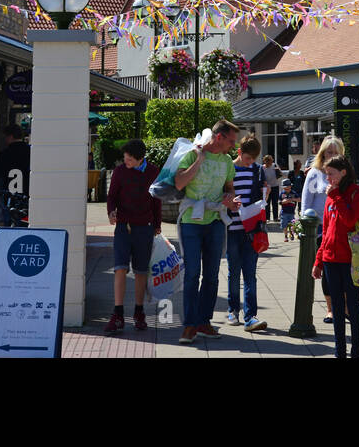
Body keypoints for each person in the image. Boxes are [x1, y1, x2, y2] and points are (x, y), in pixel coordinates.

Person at [173, 119, 241, 344]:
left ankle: (204, 322)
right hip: (191, 220)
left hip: (215, 222)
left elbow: (229, 189)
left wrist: (231, 200)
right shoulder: (193, 154)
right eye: (231, 141)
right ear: (219, 137)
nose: (234, 146)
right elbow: (180, 183)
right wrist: (199, 160)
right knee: (192, 273)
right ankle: (189, 325)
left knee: (211, 276)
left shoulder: (228, 162)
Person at [312, 155, 359, 359]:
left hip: (350, 258)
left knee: (352, 306)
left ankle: (356, 352)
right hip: (330, 258)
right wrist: (318, 261)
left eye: (331, 174)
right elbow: (326, 231)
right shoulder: (331, 196)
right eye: (326, 175)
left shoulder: (356, 194)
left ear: (343, 173)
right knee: (335, 307)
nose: (328, 179)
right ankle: (339, 352)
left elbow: (351, 220)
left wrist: (335, 196)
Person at [105, 139, 161, 334]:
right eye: (124, 158)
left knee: (140, 271)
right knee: (120, 268)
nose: (125, 161)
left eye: (129, 159)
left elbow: (156, 200)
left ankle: (139, 312)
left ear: (140, 159)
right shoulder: (120, 172)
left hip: (144, 227)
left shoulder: (153, 172)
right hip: (123, 226)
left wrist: (157, 225)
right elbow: (111, 196)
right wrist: (111, 211)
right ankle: (117, 313)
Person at [226, 133, 268, 332]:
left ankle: (250, 315)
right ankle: (233, 309)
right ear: (239, 152)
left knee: (250, 274)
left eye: (254, 159)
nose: (250, 162)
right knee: (234, 272)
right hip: (232, 228)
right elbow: (223, 194)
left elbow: (260, 197)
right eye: (248, 158)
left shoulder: (257, 171)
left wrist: (264, 195)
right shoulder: (228, 169)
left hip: (251, 230)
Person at [302, 136, 345, 322]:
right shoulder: (315, 173)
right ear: (322, 153)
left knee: (343, 270)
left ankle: (344, 306)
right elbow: (306, 202)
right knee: (328, 271)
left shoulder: (344, 174)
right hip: (320, 229)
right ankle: (331, 309)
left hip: (342, 228)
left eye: (335, 153)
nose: (332, 156)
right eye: (329, 152)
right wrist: (305, 227)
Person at [0, 123, 31, 225]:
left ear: (10, 136)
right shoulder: (30, 152)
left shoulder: (4, 154)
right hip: (26, 198)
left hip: (8, 197)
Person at [261, 154, 281, 222]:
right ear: (264, 161)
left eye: (270, 161)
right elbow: (261, 178)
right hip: (266, 188)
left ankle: (275, 217)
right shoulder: (262, 168)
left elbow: (280, 174)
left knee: (275, 202)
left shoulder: (274, 165)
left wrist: (278, 171)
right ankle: (267, 218)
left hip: (275, 186)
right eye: (267, 161)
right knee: (267, 203)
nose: (269, 162)